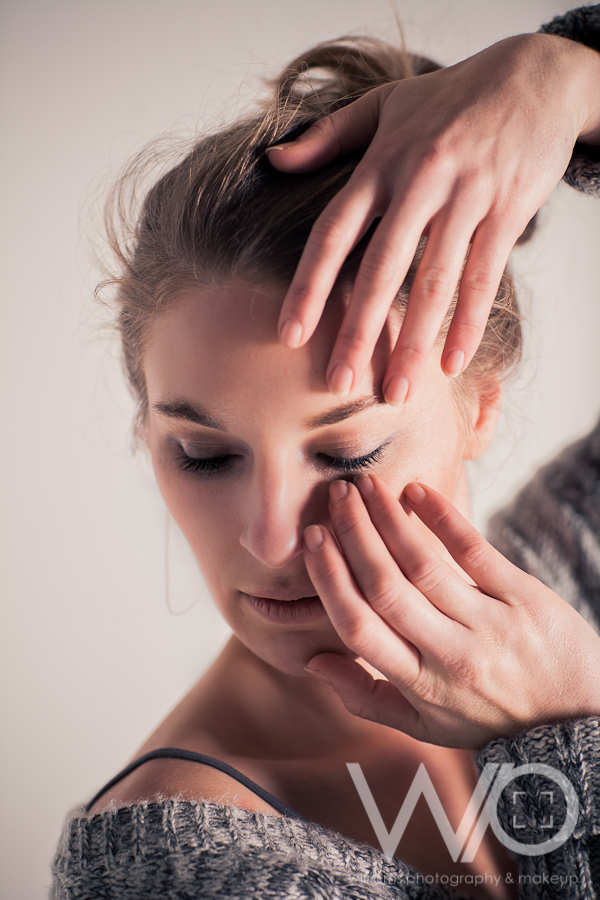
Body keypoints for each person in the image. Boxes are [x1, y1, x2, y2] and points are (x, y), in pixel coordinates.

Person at [50, 6, 600, 900]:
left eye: (347, 454)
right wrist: (574, 738)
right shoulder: (173, 866)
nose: (270, 540)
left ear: (482, 409)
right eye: (203, 455)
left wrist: (571, 78)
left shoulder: (575, 560)